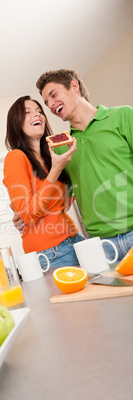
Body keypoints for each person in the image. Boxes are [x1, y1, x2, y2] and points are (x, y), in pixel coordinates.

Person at [14, 69, 133, 263]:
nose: (51, 105)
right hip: (101, 245)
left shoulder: (123, 116)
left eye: (53, 95)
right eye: (47, 103)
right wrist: (22, 214)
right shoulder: (61, 148)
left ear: (74, 86)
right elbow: (63, 199)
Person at [3, 95, 86, 270]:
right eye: (28, 112)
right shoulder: (16, 157)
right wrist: (56, 170)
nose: (37, 115)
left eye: (40, 112)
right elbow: (27, 215)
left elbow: (63, 205)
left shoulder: (52, 156)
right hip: (51, 253)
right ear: (16, 123)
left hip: (75, 239)